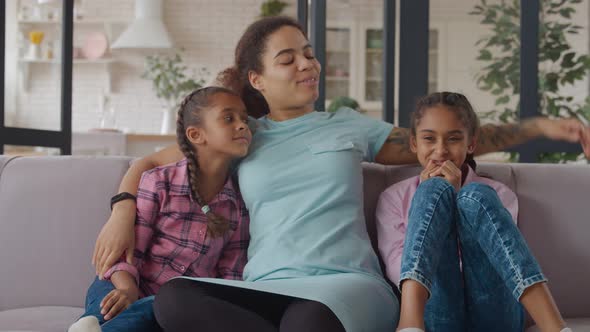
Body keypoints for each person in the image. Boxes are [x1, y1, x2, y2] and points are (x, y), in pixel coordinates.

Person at [91, 16, 590, 332]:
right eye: (289, 59)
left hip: (346, 284)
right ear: (258, 80)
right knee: (176, 300)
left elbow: (439, 136)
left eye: (308, 53)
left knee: (307, 320)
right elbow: (152, 161)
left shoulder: (349, 127)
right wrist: (121, 210)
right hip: (266, 285)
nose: (308, 64)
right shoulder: (243, 134)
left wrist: (541, 127)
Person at [376, 92, 573, 332]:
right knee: (431, 192)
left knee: (476, 195)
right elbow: (397, 268)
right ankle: (409, 325)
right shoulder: (393, 198)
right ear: (414, 143)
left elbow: (504, 260)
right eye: (429, 139)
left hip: (495, 309)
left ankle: (557, 329)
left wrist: (456, 197)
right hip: (436, 308)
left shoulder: (497, 193)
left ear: (471, 143)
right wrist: (438, 199)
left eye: (453, 139)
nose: (440, 151)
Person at [69, 87, 251, 332]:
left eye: (244, 119)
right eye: (229, 118)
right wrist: (126, 289)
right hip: (124, 280)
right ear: (196, 135)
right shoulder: (159, 182)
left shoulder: (238, 206)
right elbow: (127, 255)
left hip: (172, 303)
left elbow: (229, 277)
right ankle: (93, 325)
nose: (242, 125)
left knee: (156, 310)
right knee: (107, 297)